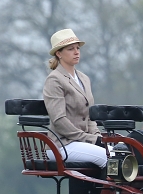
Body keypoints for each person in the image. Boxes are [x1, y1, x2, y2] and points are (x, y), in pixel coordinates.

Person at [42, 29, 107, 168]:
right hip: (61, 145)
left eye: (77, 48)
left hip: (83, 143)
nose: (76, 52)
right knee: (108, 157)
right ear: (58, 53)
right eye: (70, 49)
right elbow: (59, 120)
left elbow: (89, 115)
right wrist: (90, 139)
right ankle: (106, 190)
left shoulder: (84, 78)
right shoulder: (54, 79)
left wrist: (97, 136)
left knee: (120, 154)